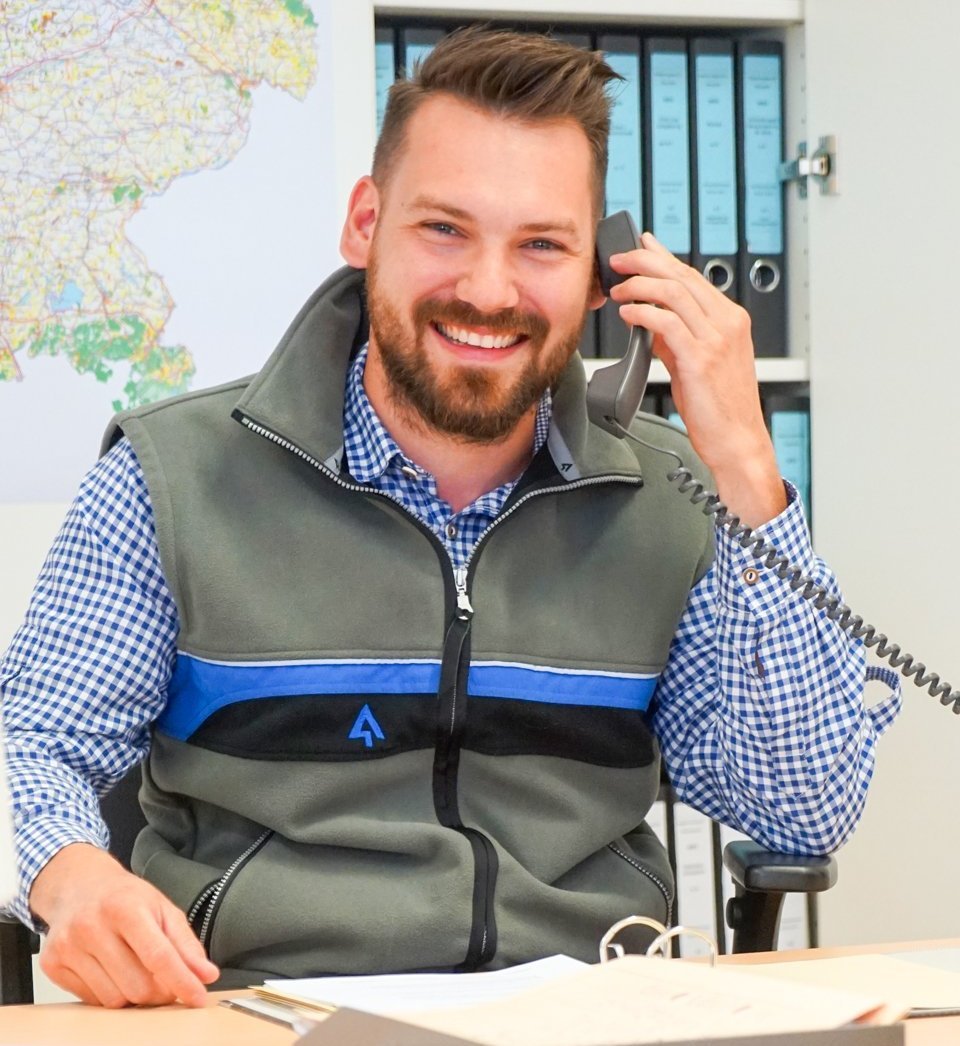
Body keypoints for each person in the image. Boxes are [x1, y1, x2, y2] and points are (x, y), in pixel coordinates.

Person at [0, 26, 900, 1009]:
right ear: (364, 223)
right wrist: (69, 871)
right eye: (444, 229)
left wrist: (747, 473)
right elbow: (37, 739)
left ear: (609, 272)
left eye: (543, 245)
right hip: (266, 1007)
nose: (487, 289)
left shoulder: (670, 497)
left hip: (593, 1013)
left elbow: (800, 810)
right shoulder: (173, 474)